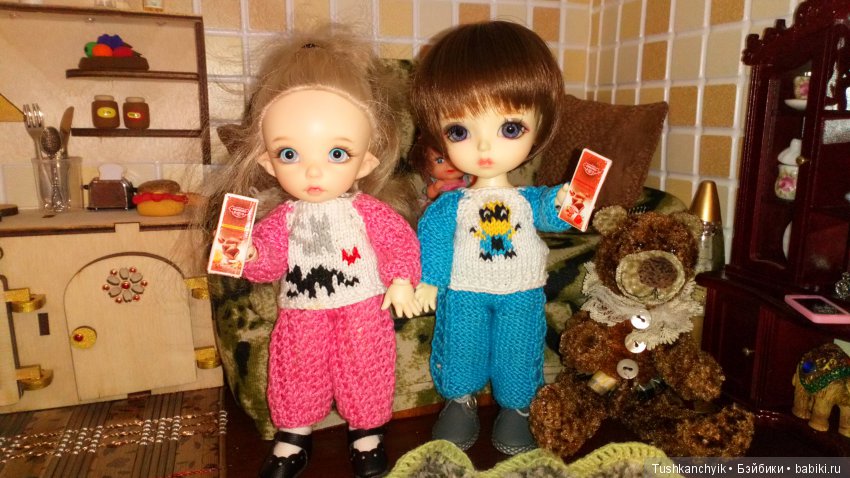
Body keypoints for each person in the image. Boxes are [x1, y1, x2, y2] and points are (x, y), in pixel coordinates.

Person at [203, 25, 421, 478]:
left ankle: (366, 433)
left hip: (362, 305)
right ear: (267, 161)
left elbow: (398, 240)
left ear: (366, 161)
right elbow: (269, 260)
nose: (314, 171)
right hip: (302, 309)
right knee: (296, 367)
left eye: (338, 154)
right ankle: (293, 435)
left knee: (365, 366)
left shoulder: (368, 212)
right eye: (290, 154)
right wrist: (248, 254)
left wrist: (402, 278)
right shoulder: (284, 218)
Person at [410, 20, 572, 455]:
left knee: (519, 351)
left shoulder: (528, 199)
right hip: (464, 289)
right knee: (460, 346)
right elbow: (435, 238)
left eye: (510, 128)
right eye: (459, 132)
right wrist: (430, 281)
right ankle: (459, 401)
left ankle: (517, 408)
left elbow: (553, 214)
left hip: (521, 290)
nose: (484, 148)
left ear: (541, 125)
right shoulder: (452, 204)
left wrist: (566, 201)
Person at [409, 134, 475, 202]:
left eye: (454, 159)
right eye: (440, 161)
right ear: (427, 167)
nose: (449, 165)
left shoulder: (467, 179)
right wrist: (435, 188)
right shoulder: (437, 184)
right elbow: (430, 195)